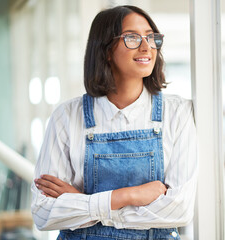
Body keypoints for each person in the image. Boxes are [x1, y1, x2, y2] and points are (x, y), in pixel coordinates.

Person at [31, 5, 197, 240]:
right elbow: (44, 212)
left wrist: (84, 202)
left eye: (151, 37)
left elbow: (178, 209)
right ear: (106, 50)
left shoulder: (177, 113)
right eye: (132, 37)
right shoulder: (67, 116)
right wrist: (129, 196)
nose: (146, 46)